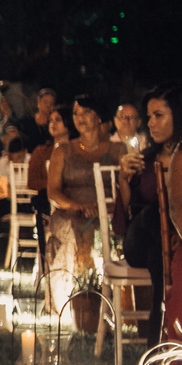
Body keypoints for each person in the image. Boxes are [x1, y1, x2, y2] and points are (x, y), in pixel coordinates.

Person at [46, 95, 125, 322]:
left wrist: (106, 207)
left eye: (86, 111)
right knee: (79, 230)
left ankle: (110, 297)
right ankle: (82, 297)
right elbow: (53, 192)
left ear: (98, 116)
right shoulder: (63, 151)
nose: (80, 117)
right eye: (76, 113)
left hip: (108, 212)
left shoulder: (118, 150)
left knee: (105, 228)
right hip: (69, 213)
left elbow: (126, 185)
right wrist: (77, 206)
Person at [116, 85, 181, 345]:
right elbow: (126, 213)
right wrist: (123, 179)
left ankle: (155, 344)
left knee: (159, 256)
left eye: (159, 115)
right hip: (139, 240)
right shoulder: (144, 160)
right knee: (153, 214)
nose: (151, 123)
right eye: (149, 116)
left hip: (166, 248)